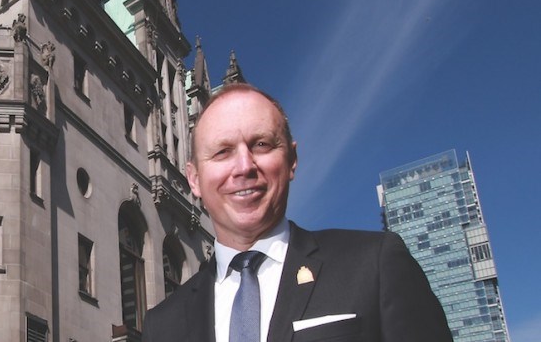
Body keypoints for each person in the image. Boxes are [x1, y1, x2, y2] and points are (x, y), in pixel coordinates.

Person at [143, 83, 451, 342]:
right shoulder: (162, 325)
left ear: (291, 160)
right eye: (222, 152)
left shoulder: (375, 264)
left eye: (261, 144)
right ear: (194, 178)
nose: (244, 166)